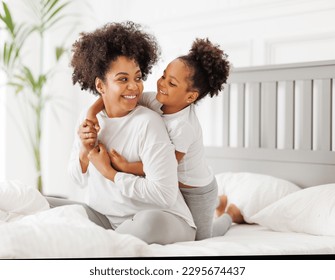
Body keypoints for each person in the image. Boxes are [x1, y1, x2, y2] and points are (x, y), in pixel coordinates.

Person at [48, 21, 196, 245]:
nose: (134, 87)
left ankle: (101, 243)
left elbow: (164, 194)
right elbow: (77, 179)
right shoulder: (88, 118)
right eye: (123, 79)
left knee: (147, 222)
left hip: (161, 218)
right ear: (100, 86)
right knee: (43, 205)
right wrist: (85, 151)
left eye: (137, 78)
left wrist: (110, 172)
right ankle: (104, 239)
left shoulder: (148, 122)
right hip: (106, 218)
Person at [86, 38, 244, 240]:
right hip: (176, 186)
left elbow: (167, 164)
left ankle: (230, 215)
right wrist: (91, 113)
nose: (161, 84)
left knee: (203, 238)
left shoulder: (182, 127)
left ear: (190, 97)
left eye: (172, 83)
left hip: (197, 191)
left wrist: (124, 166)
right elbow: (114, 97)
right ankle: (219, 202)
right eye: (163, 76)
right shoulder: (156, 100)